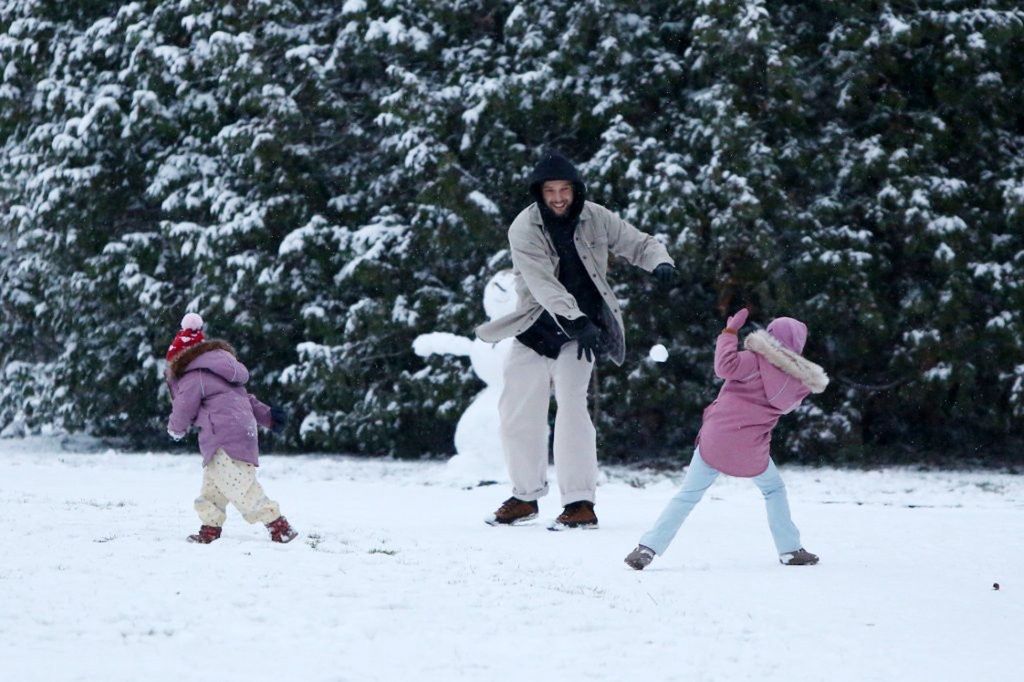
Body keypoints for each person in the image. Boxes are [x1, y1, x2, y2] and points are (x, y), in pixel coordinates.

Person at [477, 151, 676, 530]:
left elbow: (638, 242)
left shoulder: (596, 218)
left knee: (573, 413)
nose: (557, 198)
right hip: (535, 330)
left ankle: (580, 503)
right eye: (550, 191)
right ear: (539, 193)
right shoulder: (524, 228)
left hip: (580, 338)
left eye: (564, 189)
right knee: (518, 416)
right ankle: (525, 496)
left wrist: (659, 261)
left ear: (576, 190)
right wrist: (576, 318)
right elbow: (542, 284)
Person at [624, 308, 828, 569]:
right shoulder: (798, 383)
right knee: (774, 490)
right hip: (750, 448)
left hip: (716, 440)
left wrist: (729, 333)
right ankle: (790, 549)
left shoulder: (752, 360)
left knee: (687, 495)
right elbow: (784, 404)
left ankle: (647, 548)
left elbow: (723, 367)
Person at [165, 313, 297, 544]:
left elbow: (184, 405)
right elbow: (247, 399)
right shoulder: (221, 372)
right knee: (213, 486)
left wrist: (177, 428)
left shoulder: (194, 375)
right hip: (241, 431)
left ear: (180, 358)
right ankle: (210, 528)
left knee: (239, 485)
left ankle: (277, 524)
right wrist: (269, 417)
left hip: (221, 436)